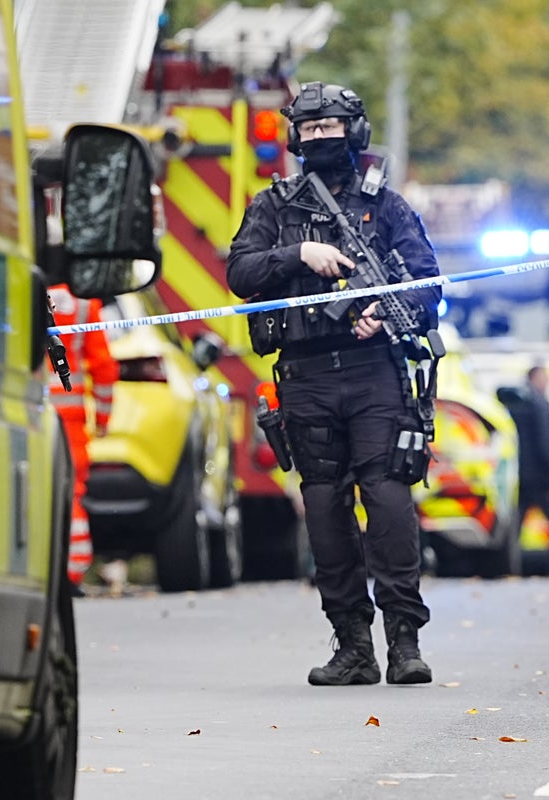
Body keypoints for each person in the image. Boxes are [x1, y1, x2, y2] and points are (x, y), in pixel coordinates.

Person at [226, 82, 442, 687]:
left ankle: (404, 642)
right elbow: (241, 271)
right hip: (306, 373)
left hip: (376, 373)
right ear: (295, 137)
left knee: (389, 499)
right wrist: (300, 254)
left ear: (356, 131)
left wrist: (388, 312)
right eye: (310, 129)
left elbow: (429, 284)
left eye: (332, 127)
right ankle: (353, 644)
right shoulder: (274, 206)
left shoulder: (389, 207)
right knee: (323, 505)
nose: (321, 138)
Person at [47, 283, 116, 594]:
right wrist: (103, 417)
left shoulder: (18, 285)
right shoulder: (85, 304)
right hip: (69, 419)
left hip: (23, 410)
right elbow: (103, 368)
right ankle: (72, 570)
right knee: (70, 491)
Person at [511, 365, 549, 574]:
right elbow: (544, 442)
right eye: (544, 377)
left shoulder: (517, 402)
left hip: (521, 474)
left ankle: (511, 567)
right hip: (541, 476)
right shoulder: (540, 404)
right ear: (534, 378)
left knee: (516, 524)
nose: (548, 382)